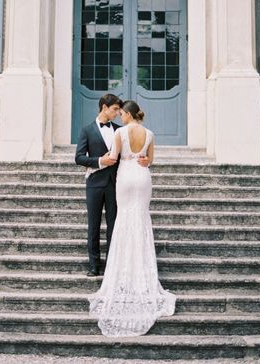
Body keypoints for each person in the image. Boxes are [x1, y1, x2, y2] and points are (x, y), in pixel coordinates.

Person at [88, 100, 176, 336]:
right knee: (141, 220)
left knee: (124, 219)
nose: (121, 117)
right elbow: (151, 160)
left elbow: (113, 158)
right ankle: (143, 272)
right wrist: (143, 160)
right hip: (143, 176)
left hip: (126, 177)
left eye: (122, 113)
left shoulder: (120, 132)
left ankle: (123, 272)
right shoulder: (149, 133)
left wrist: (94, 164)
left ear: (127, 114)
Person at [75, 93, 123, 277]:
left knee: (113, 225)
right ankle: (94, 265)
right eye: (115, 109)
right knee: (93, 225)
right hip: (95, 183)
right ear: (104, 107)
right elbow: (79, 158)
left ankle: (111, 265)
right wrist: (100, 161)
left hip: (114, 184)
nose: (118, 113)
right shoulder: (87, 130)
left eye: (119, 110)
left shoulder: (119, 130)